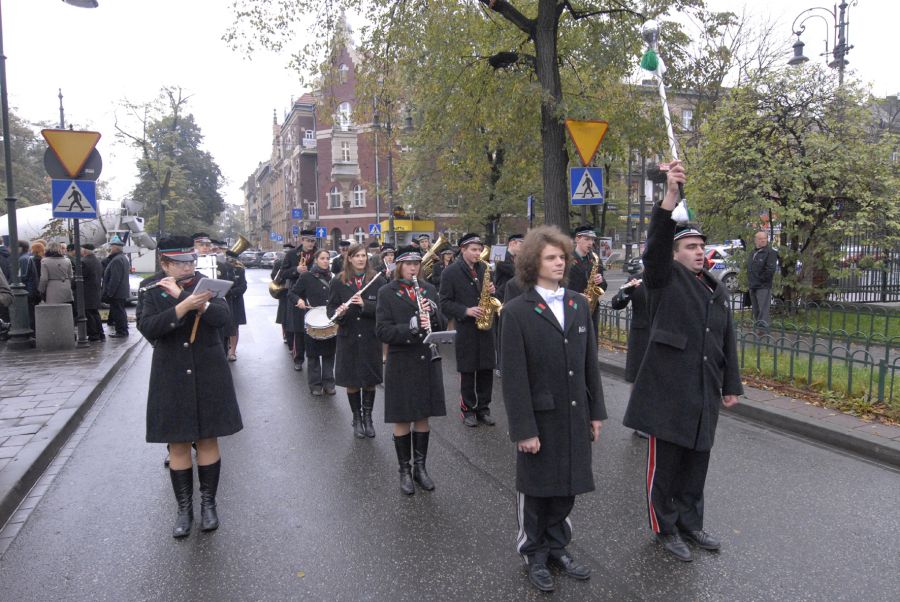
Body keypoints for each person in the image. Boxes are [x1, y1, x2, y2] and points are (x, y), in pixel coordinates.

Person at [623, 161, 742, 562]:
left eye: (700, 247)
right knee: (667, 464)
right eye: (690, 247)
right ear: (675, 254)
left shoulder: (714, 288)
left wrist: (730, 385)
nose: (698, 252)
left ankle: (691, 523)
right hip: (668, 390)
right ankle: (665, 527)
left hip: (704, 392)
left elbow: (727, 340)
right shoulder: (664, 278)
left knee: (696, 463)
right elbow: (654, 248)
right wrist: (669, 197)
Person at [500, 225, 606, 593]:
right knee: (538, 488)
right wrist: (524, 430)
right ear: (533, 263)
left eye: (562, 256)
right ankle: (534, 552)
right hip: (540, 417)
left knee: (568, 486)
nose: (560, 262)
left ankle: (557, 546)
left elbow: (590, 363)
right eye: (551, 257)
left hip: (575, 412)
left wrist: (596, 414)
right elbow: (513, 378)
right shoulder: (516, 311)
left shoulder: (577, 303)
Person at [136, 236, 243, 538]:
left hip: (209, 371)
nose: (187, 267)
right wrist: (183, 306)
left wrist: (203, 304)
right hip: (171, 373)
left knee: (208, 438)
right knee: (179, 443)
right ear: (164, 264)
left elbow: (224, 319)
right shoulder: (151, 289)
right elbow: (149, 328)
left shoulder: (208, 284)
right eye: (180, 263)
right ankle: (184, 509)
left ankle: (209, 505)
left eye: (190, 261)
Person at [375, 245, 447, 495]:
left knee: (423, 416)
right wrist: (411, 328)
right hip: (401, 360)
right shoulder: (386, 292)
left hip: (425, 358)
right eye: (408, 264)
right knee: (402, 417)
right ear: (399, 267)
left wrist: (434, 314)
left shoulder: (429, 289)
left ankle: (420, 468)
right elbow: (382, 331)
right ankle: (404, 470)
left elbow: (438, 325)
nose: (413, 267)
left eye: (417, 263)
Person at [327, 243, 386, 438]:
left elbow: (386, 309)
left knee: (369, 381)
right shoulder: (338, 281)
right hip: (349, 338)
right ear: (349, 258)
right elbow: (331, 311)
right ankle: (357, 419)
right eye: (357, 256)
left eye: (364, 256)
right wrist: (339, 313)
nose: (361, 259)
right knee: (352, 382)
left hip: (370, 338)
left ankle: (368, 418)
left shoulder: (377, 280)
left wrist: (365, 305)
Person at [439, 232, 497, 427]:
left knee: (486, 368)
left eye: (480, 250)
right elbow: (444, 303)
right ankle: (468, 409)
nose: (478, 254)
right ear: (463, 249)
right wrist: (466, 310)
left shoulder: (484, 268)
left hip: (485, 326)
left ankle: (483, 408)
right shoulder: (450, 272)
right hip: (466, 328)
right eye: (473, 250)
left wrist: (491, 291)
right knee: (468, 370)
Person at [288, 249, 337, 396]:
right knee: (313, 355)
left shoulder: (333, 278)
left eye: (327, 258)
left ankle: (329, 383)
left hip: (329, 320)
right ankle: (315, 384)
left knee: (329, 354)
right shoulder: (307, 277)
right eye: (322, 258)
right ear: (316, 260)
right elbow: (292, 293)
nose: (325, 261)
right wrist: (299, 300)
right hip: (312, 319)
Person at [610, 261, 649, 438]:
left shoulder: (670, 280)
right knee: (639, 377)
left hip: (663, 335)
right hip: (641, 335)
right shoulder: (636, 279)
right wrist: (626, 292)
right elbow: (616, 303)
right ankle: (638, 420)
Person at [282, 231, 317, 371]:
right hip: (297, 293)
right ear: (302, 240)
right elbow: (283, 273)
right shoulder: (291, 254)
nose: (310, 244)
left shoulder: (318, 254)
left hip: (314, 292)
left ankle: (313, 357)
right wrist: (296, 270)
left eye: (313, 241)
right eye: (308, 241)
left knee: (314, 326)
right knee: (298, 329)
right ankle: (298, 358)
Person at [567, 225, 607, 340]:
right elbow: (560, 285)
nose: (590, 243)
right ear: (577, 239)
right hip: (572, 305)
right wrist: (574, 295)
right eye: (587, 239)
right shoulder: (567, 259)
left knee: (592, 340)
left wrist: (601, 281)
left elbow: (603, 287)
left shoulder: (595, 259)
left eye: (592, 240)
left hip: (592, 308)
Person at [747, 231, 778, 330]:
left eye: (765, 238)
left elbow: (770, 270)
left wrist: (761, 280)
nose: (763, 240)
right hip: (753, 285)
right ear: (756, 240)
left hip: (763, 286)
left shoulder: (770, 252)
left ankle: (763, 331)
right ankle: (758, 329)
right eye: (760, 238)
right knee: (756, 310)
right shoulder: (753, 252)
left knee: (763, 310)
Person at [102, 236, 131, 338]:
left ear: (116, 248)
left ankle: (121, 331)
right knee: (121, 311)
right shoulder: (123, 258)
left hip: (117, 293)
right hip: (121, 292)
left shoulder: (117, 260)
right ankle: (122, 330)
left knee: (118, 312)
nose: (110, 248)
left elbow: (115, 279)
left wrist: (110, 293)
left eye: (112, 246)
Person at [77, 244, 105, 341]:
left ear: (84, 251)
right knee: (95, 313)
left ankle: (94, 335)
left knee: (89, 314)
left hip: (87, 292)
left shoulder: (84, 262)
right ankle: (101, 333)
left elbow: (79, 277)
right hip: (95, 290)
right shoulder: (97, 261)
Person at [225, 250, 248, 361]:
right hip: (222, 300)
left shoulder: (239, 269)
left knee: (234, 326)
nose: (230, 261)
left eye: (232, 259)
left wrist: (231, 293)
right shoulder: (220, 268)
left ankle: (232, 351)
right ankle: (225, 348)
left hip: (235, 300)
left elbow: (243, 286)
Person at [273, 242, 295, 345]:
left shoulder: (295, 261)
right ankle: (286, 334)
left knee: (293, 314)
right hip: (283, 291)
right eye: (285, 251)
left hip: (293, 291)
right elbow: (274, 277)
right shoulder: (279, 262)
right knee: (283, 314)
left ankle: (293, 334)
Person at [493, 234, 523, 302]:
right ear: (512, 243)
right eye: (521, 245)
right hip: (503, 295)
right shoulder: (502, 256)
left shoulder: (517, 258)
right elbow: (516, 272)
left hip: (513, 293)